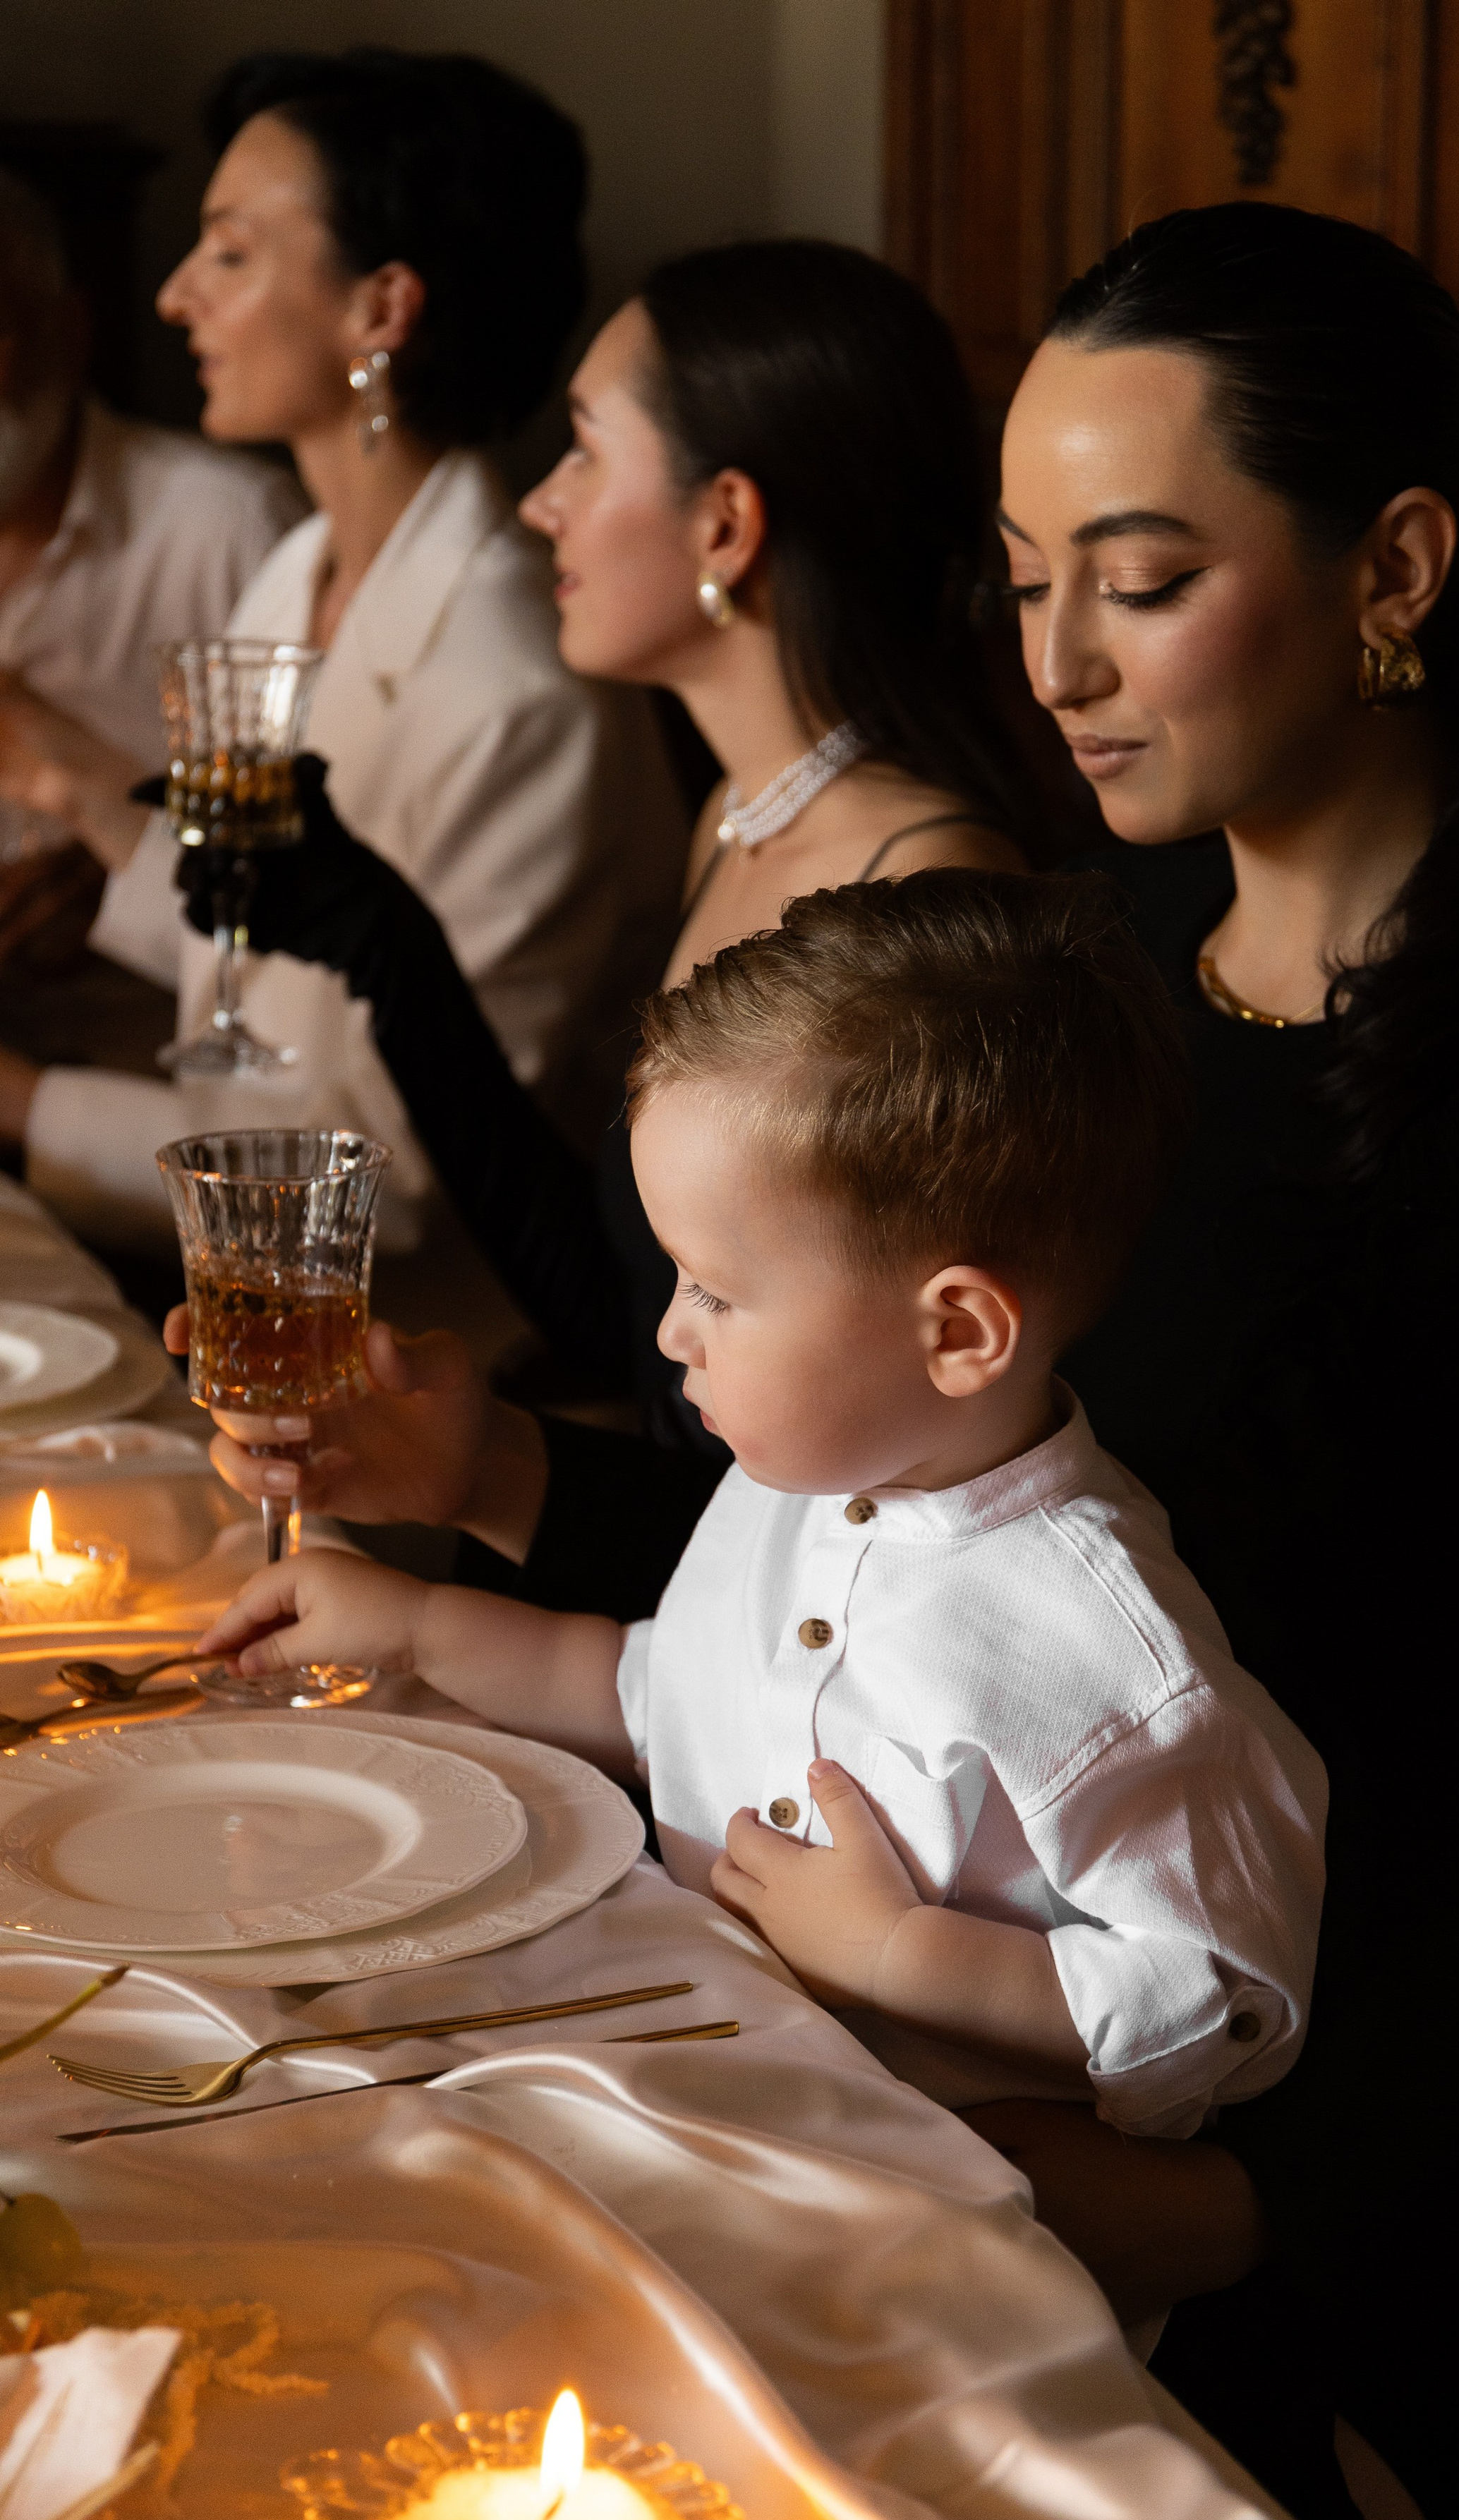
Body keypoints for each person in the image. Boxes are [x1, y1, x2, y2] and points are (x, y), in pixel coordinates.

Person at [181, 202, 1459, 2520]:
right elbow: (923, 1559)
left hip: (1406, 2166)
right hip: (973, 2022)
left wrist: (1216, 2196)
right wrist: (496, 1483)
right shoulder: (1092, 964)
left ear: (1398, 569)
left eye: (1136, 584)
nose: (1049, 664)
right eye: (1025, 576)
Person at [194, 868, 1326, 2235]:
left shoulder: (1105, 1657)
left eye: (716, 1292)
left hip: (918, 2203)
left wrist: (905, 1954)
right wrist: (420, 1624)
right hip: (703, 2061)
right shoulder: (793, 1483)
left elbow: (1221, 1999)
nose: (671, 1334)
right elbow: (642, 1685)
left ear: (957, 1334)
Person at [162, 234, 1029, 1595]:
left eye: (582, 453)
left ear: (725, 526)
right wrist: (396, 955)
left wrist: (488, 1509)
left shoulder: (921, 897)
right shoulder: (745, 818)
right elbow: (633, 1310)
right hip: (661, 1601)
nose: (537, 508)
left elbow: (864, 1549)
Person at [0, 48, 686, 1276]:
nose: (171, 296)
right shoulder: (302, 566)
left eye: (228, 251)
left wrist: (23, 1102)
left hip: (445, 1342)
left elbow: (400, 1182)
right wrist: (63, 777)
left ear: (382, 307)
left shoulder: (518, 688)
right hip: (247, 1266)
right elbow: (268, 958)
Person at [0, 169, 302, 995]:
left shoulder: (232, 528)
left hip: (169, 1038)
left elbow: (322, 889)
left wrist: (128, 862)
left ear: (70, 329)